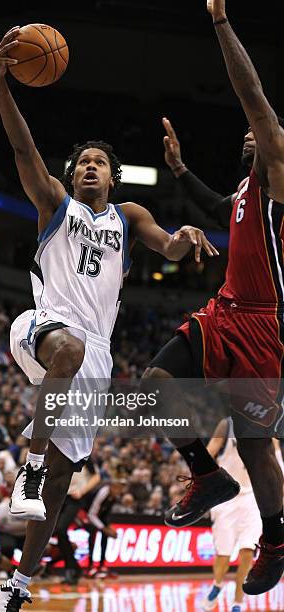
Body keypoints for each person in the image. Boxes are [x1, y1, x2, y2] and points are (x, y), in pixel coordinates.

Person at [0, 25, 218, 611]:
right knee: (62, 355)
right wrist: (2, 86)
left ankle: (17, 585)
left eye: (100, 163)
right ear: (71, 176)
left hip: (97, 354)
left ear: (112, 178)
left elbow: (168, 248)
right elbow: (22, 149)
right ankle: (31, 466)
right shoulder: (54, 205)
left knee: (66, 482)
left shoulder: (129, 216)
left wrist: (186, 234)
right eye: (82, 162)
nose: (91, 167)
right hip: (45, 326)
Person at [142, 0, 284, 596]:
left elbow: (251, 94)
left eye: (261, 129)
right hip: (223, 310)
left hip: (263, 325)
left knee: (255, 449)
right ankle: (204, 473)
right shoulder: (248, 190)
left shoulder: (278, 174)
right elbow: (217, 209)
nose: (249, 131)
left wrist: (223, 24)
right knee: (152, 385)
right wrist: (177, 170)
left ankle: (276, 539)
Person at [202, 418, 262, 612]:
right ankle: (218, 584)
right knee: (223, 554)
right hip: (226, 495)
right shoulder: (227, 424)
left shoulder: (267, 426)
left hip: (253, 497)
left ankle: (238, 602)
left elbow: (278, 462)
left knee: (247, 552)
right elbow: (210, 452)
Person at [54, 458, 100, 585]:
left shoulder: (84, 455)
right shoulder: (60, 454)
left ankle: (72, 568)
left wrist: (82, 491)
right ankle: (73, 567)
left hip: (76, 499)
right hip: (61, 497)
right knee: (57, 532)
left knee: (61, 529)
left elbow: (96, 477)